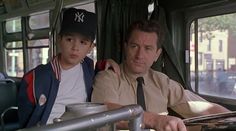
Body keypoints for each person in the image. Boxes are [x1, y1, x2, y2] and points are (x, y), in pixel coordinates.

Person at [91, 20, 230, 131]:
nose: (140, 55)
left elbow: (197, 106)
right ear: (125, 47)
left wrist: (230, 117)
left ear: (157, 54)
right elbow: (105, 112)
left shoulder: (161, 81)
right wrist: (155, 120)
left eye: (148, 48)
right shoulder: (108, 78)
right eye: (134, 46)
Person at [18, 8, 119, 128]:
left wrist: (108, 62)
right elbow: (26, 120)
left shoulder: (88, 68)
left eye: (83, 42)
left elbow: (97, 70)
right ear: (59, 40)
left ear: (91, 47)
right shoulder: (35, 79)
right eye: (69, 39)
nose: (75, 47)